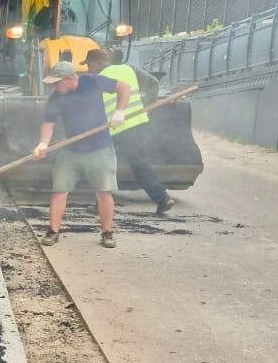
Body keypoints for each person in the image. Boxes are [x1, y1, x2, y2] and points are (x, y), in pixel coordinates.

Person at [32, 59, 130, 248]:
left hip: (100, 148)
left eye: (56, 82)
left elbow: (124, 87)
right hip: (71, 151)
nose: (53, 86)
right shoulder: (56, 97)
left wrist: (120, 112)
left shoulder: (93, 81)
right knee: (59, 191)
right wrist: (43, 143)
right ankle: (53, 231)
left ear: (69, 79)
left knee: (104, 192)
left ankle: (107, 232)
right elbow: (48, 123)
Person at [85, 48, 174, 215]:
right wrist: (147, 106)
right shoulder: (129, 69)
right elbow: (153, 82)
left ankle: (101, 204)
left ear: (99, 63)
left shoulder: (97, 79)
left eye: (89, 65)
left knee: (104, 165)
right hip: (137, 123)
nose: (88, 69)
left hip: (115, 129)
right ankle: (162, 199)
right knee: (139, 164)